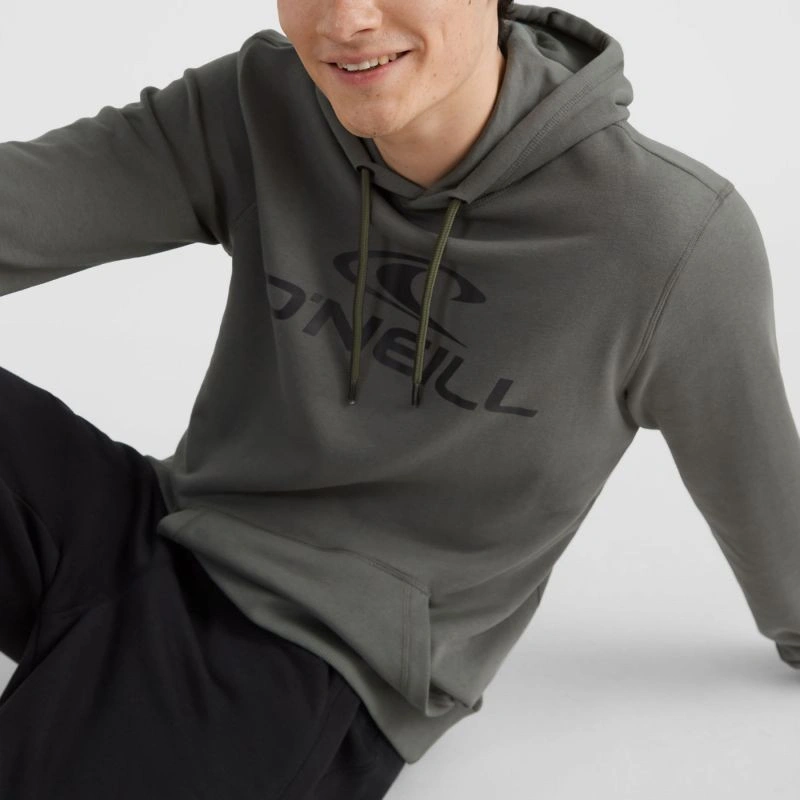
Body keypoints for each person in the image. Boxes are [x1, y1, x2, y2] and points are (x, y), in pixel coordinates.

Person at [1, 0, 799, 797]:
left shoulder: (669, 239)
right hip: (163, 528)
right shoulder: (261, 104)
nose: (346, 19)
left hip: (323, 656)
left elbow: (767, 506)